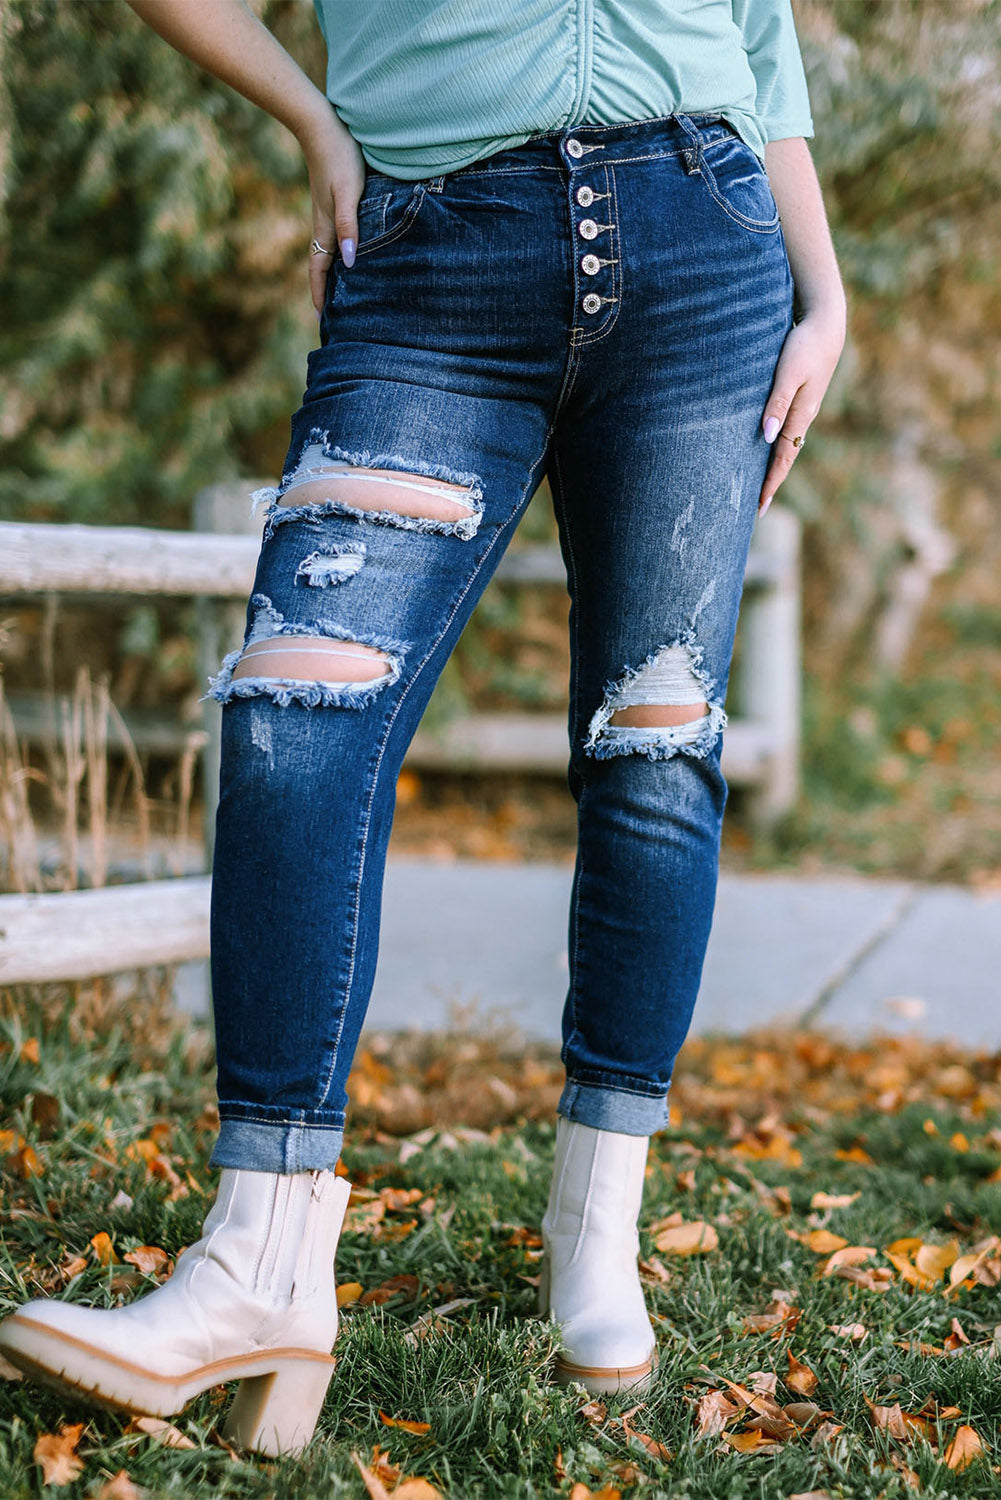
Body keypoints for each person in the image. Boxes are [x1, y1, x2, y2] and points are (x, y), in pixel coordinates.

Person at [0, 0, 846, 1460]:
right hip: (436, 252)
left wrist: (824, 291)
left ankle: (596, 1234)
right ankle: (259, 1257)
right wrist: (310, 115)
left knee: (655, 744)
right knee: (297, 710)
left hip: (709, 248)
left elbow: (755, 32)